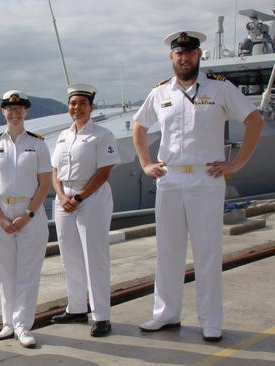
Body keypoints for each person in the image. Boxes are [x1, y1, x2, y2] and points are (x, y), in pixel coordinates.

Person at [133, 31, 264, 342]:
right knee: (168, 251)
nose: (184, 57)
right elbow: (139, 126)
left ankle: (210, 321)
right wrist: (145, 163)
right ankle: (165, 314)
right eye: (179, 52)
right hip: (170, 179)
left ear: (199, 55)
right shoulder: (161, 92)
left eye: (190, 51)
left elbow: (254, 120)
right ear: (171, 57)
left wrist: (237, 164)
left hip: (206, 179)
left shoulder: (220, 88)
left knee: (207, 252)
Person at [0, 90, 51, 348]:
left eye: (20, 108)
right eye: (10, 108)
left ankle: (22, 324)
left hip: (29, 211)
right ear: (3, 112)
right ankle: (8, 323)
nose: (15, 112)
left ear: (26, 111)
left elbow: (45, 183)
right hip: (0, 212)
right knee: (4, 272)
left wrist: (28, 214)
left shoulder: (38, 143)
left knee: (28, 272)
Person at [50, 84, 120, 338]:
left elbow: (104, 172)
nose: (76, 108)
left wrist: (79, 197)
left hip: (91, 198)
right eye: (72, 103)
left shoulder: (102, 135)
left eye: (81, 103)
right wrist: (61, 195)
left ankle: (101, 315)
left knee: (94, 258)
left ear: (91, 107)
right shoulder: (62, 136)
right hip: (64, 198)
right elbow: (55, 171)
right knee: (70, 258)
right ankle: (77, 308)